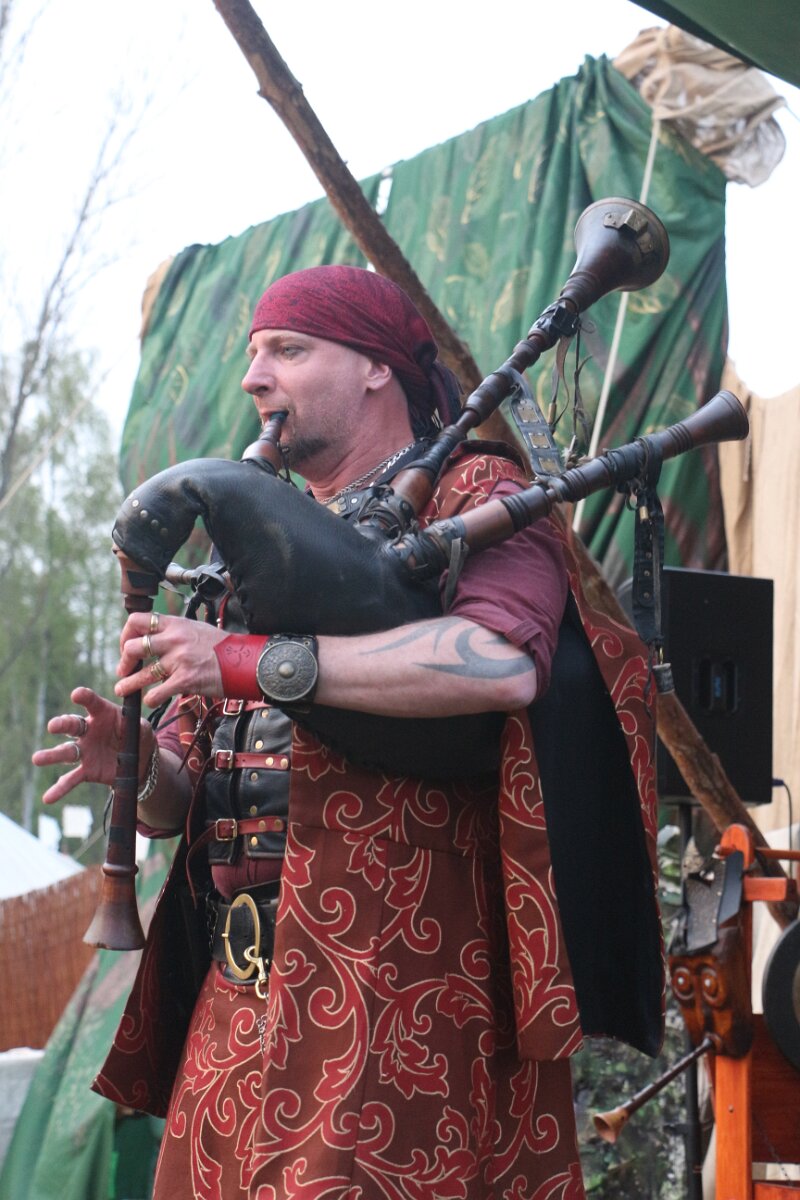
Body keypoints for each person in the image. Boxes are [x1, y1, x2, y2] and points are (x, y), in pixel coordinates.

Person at [34, 265, 663, 1200]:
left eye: (288, 350)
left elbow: (498, 663)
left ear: (376, 368)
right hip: (238, 1002)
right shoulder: (257, 532)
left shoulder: (476, 489)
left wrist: (242, 660)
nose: (255, 378)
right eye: (254, 354)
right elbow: (182, 799)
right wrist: (135, 767)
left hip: (401, 990)